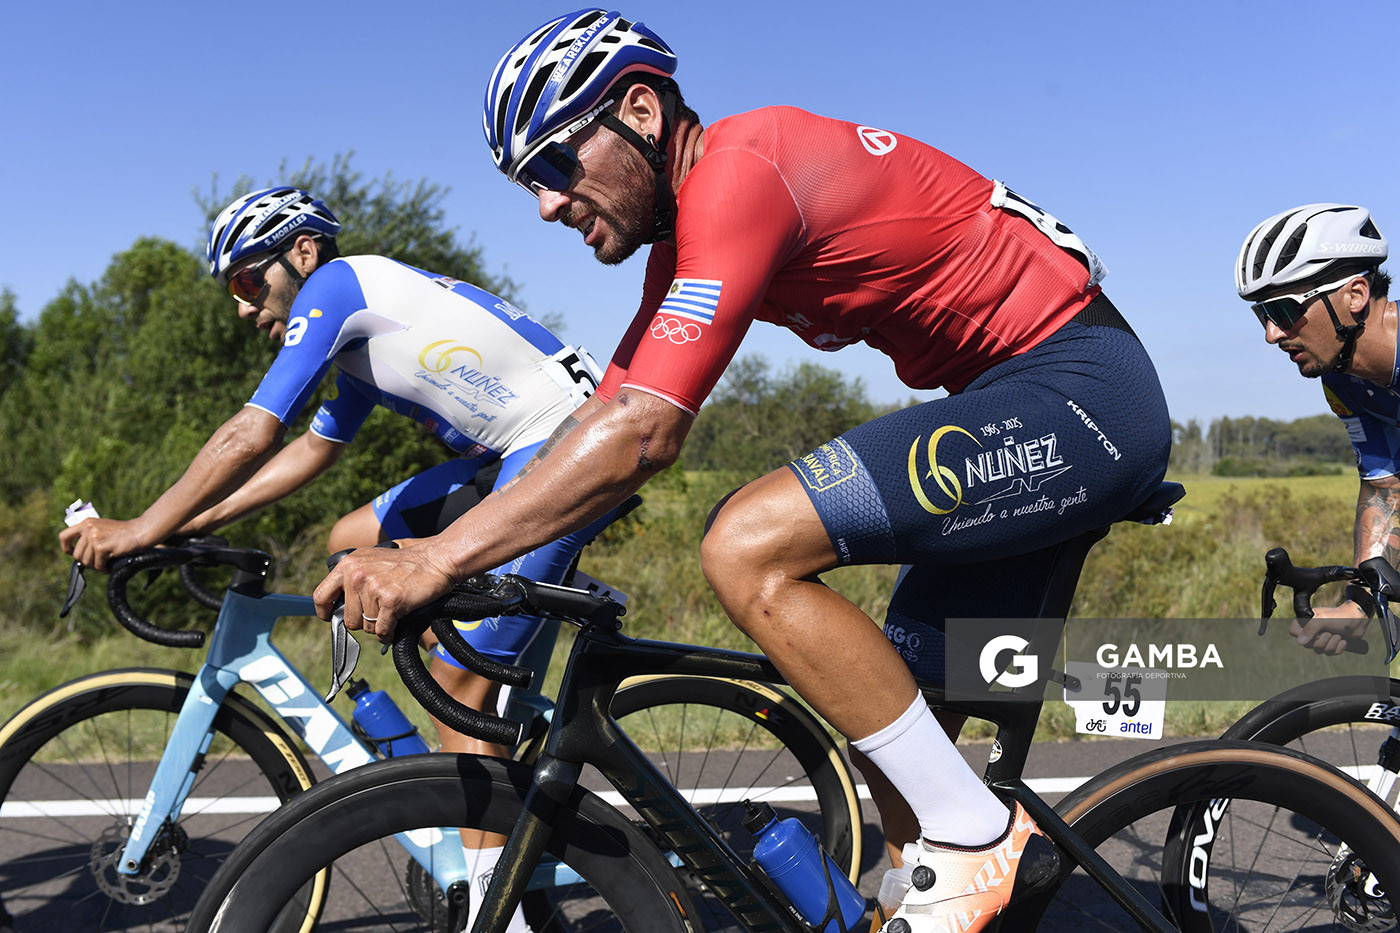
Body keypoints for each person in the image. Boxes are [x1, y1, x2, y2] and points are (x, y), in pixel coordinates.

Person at [320, 11, 1172, 930]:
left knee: (746, 544)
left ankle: (981, 835)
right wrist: (471, 557)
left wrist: (438, 556)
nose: (547, 204)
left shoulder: (742, 170)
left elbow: (645, 434)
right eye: (529, 184)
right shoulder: (686, 237)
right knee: (889, 718)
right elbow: (601, 421)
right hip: (1017, 396)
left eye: (557, 165)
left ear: (640, 111)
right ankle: (935, 878)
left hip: (1082, 391)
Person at [59, 186, 610, 932]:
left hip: (567, 446)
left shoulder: (337, 288)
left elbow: (252, 433)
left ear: (302, 252)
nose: (244, 308)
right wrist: (182, 524)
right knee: (351, 540)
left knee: (456, 681)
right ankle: (489, 729)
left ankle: (497, 910)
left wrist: (137, 527)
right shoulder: (359, 348)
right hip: (512, 456)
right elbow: (310, 452)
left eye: (248, 281)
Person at [1237, 203, 1394, 656]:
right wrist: (1361, 603)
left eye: (1284, 311)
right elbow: (1385, 489)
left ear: (1355, 295)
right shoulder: (1344, 383)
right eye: (1263, 314)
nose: (1271, 334)